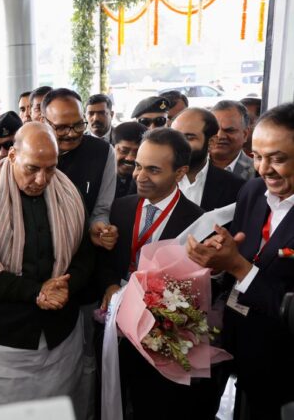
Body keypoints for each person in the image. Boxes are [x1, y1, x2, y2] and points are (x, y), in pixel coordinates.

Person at [0, 122, 96, 418]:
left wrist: (66, 287)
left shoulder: (68, 191)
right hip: (0, 339)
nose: (42, 179)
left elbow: (84, 255)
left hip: (58, 336)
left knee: (55, 412)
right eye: (32, 168)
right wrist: (36, 291)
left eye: (50, 168)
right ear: (12, 156)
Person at [99, 129, 218, 420]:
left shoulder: (198, 222)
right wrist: (111, 284)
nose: (140, 176)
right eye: (138, 166)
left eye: (153, 170)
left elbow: (198, 291)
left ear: (180, 173)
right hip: (113, 328)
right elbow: (104, 261)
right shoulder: (121, 207)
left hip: (161, 338)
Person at [186, 102, 294, 419]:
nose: (264, 169)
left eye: (278, 159)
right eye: (257, 156)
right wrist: (216, 261)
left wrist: (237, 265)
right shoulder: (252, 191)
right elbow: (239, 258)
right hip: (241, 349)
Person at [42, 88, 117, 251]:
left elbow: (101, 210)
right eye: (61, 128)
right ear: (44, 122)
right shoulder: (31, 153)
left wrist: (99, 226)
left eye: (78, 125)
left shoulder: (103, 152)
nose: (71, 134)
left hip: (83, 249)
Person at [172, 108, 246, 211]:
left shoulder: (236, 187)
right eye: (174, 137)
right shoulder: (154, 180)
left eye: (189, 138)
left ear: (212, 142)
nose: (178, 145)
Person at [211, 100, 257, 181]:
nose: (220, 136)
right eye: (214, 129)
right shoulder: (191, 167)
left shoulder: (258, 171)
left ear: (245, 134)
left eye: (229, 130)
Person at [112, 122, 147, 199]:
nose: (130, 158)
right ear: (112, 148)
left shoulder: (148, 183)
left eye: (137, 152)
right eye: (124, 151)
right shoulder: (101, 177)